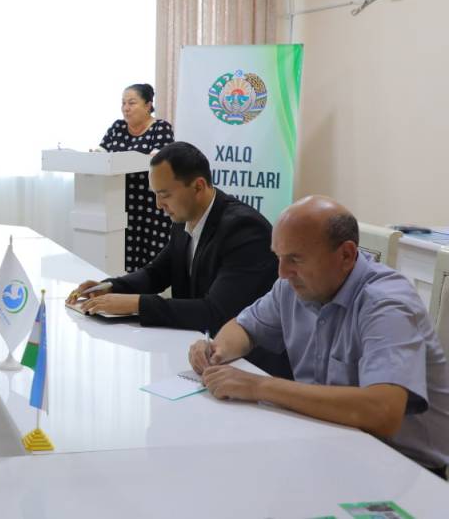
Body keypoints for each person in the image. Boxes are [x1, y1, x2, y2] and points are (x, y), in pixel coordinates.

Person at [189, 196, 449, 476]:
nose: (282, 273)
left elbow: (383, 412)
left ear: (346, 255)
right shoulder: (294, 286)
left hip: (407, 467)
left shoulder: (387, 305)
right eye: (278, 257)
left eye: (295, 259)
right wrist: (216, 351)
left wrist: (259, 386)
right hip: (334, 441)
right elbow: (244, 327)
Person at [67, 141, 290, 377]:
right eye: (155, 194)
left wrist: (135, 304)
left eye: (164, 195)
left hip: (250, 366)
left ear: (198, 187)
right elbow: (157, 272)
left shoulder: (244, 229)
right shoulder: (184, 216)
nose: (158, 205)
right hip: (201, 351)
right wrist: (110, 287)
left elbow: (215, 312)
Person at [98, 83, 174, 272]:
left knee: (152, 261)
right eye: (123, 103)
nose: (126, 108)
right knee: (122, 258)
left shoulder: (161, 128)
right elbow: (101, 153)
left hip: (151, 205)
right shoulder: (117, 127)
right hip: (119, 204)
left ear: (148, 105)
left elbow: (157, 161)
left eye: (132, 103)